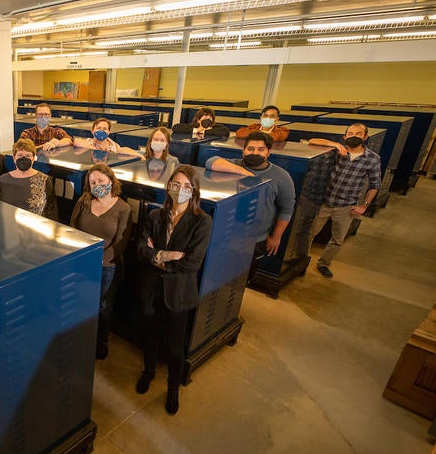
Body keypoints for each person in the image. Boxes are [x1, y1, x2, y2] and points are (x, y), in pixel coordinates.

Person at [135, 165, 212, 415]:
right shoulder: (155, 216)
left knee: (175, 347)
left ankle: (172, 389)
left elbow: (191, 262)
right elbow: (140, 250)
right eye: (176, 185)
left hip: (178, 293)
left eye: (187, 187)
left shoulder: (201, 221)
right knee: (149, 336)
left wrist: (155, 255)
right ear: (168, 187)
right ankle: (148, 372)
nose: (180, 190)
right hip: (150, 289)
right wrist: (169, 255)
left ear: (195, 191)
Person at [205, 131, 296, 279]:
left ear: (269, 152)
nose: (255, 153)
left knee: (242, 278)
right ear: (243, 151)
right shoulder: (234, 165)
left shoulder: (282, 176)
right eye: (251, 149)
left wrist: (276, 237)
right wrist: (245, 173)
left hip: (256, 240)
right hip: (225, 235)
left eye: (261, 150)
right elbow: (211, 161)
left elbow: (287, 209)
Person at [70, 164, 132, 360]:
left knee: (103, 306)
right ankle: (82, 337)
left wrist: (96, 259)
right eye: (93, 182)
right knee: (81, 301)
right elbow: (71, 227)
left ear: (111, 181)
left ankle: (101, 342)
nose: (97, 185)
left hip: (107, 267)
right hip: (81, 262)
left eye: (101, 181)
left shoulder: (124, 208)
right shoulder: (84, 200)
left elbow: (120, 243)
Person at [305, 123, 381, 278]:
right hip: (325, 202)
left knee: (337, 239)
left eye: (358, 134)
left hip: (347, 206)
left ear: (365, 137)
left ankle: (323, 264)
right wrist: (335, 144)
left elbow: (375, 185)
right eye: (350, 133)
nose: (354, 136)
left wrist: (364, 206)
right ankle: (301, 261)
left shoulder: (372, 159)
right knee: (308, 234)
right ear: (345, 136)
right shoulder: (336, 151)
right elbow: (312, 141)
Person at [0, 138, 59, 220]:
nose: (23, 158)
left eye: (28, 155)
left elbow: (52, 211)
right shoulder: (3, 180)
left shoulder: (44, 180)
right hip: (9, 226)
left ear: (33, 159)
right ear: (14, 158)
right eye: (20, 155)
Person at [74, 117, 141, 156]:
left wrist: (140, 156)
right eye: (98, 128)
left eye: (104, 129)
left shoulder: (114, 146)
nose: (101, 131)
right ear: (92, 131)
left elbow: (123, 150)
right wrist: (95, 149)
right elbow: (76, 141)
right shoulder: (89, 142)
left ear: (109, 132)